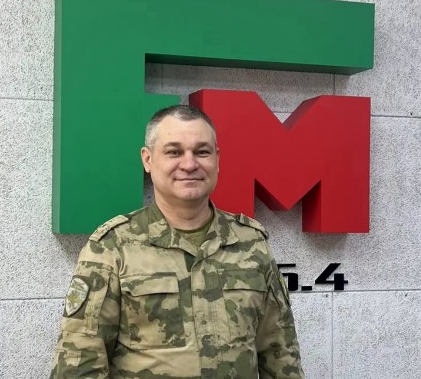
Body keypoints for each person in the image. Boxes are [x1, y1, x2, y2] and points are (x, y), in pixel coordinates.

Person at [50, 105, 304, 378]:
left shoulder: (251, 242)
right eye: (174, 152)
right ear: (148, 160)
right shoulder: (112, 247)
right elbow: (79, 364)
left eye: (202, 152)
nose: (189, 164)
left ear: (217, 159)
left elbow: (281, 354)